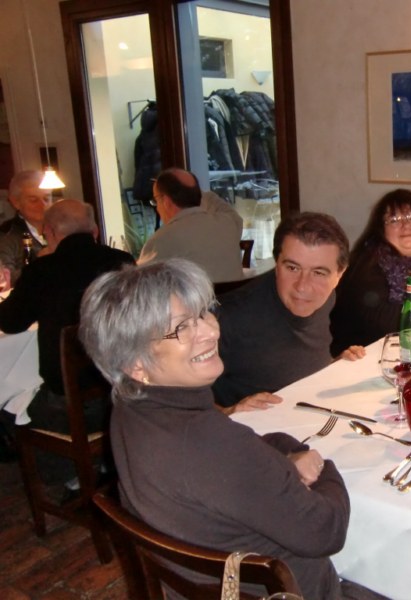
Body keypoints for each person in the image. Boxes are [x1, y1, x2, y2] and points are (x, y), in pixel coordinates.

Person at [78, 259, 352, 599]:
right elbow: (326, 530)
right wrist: (325, 467)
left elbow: (237, 457)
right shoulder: (209, 444)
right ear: (136, 364)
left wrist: (288, 450)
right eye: (181, 328)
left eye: (203, 314)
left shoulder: (128, 408)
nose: (210, 331)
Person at [0, 199, 134, 480]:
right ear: (95, 230)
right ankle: (104, 462)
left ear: (49, 232)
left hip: (70, 405)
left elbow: (10, 322)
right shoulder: (122, 261)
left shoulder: (42, 270)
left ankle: (72, 477)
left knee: (8, 409)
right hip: (125, 389)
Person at [213, 212, 365, 409]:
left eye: (318, 273)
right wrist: (228, 412)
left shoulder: (326, 298)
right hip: (252, 425)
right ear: (277, 265)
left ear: (339, 275)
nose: (302, 286)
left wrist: (333, 364)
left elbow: (292, 359)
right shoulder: (226, 318)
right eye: (292, 268)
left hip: (308, 411)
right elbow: (177, 397)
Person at [330, 189, 411, 356]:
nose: (406, 225)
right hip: (372, 360)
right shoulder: (367, 266)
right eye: (394, 220)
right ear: (381, 229)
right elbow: (392, 325)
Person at [139, 168, 243, 283]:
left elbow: (141, 285)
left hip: (198, 296)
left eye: (156, 200)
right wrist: (189, 192)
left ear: (166, 202)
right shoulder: (228, 223)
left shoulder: (160, 241)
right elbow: (218, 204)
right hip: (236, 295)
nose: (157, 208)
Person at [0, 171, 52, 282]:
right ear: (16, 202)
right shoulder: (6, 236)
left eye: (46, 199)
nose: (43, 205)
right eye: (33, 200)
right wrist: (39, 264)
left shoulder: (61, 227)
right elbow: (4, 278)